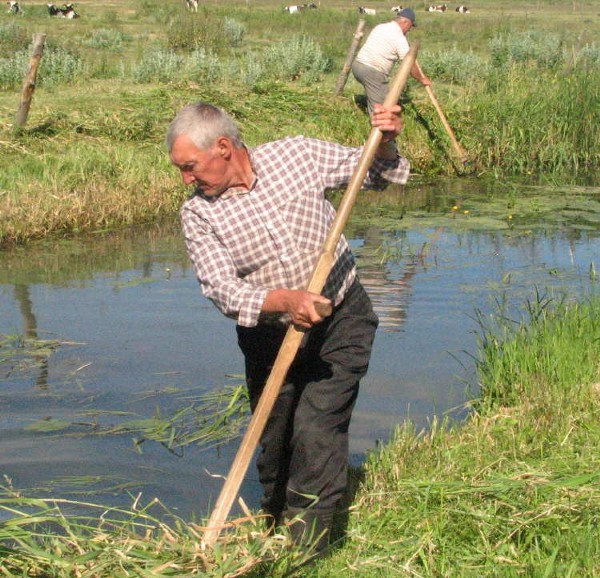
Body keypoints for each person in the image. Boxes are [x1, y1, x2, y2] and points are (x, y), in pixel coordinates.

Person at [166, 102, 410, 552]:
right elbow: (222, 290)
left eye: (189, 166)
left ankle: (307, 548)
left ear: (223, 147)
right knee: (275, 437)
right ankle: (273, 522)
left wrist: (386, 140)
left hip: (342, 317)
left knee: (318, 428)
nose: (186, 178)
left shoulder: (296, 155)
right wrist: (284, 301)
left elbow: (373, 173)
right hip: (268, 336)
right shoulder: (199, 215)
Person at [352, 7, 432, 118]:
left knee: (384, 96)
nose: (410, 30)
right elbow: (409, 65)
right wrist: (421, 79)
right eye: (410, 26)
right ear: (405, 22)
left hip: (357, 66)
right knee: (383, 110)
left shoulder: (381, 26)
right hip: (372, 72)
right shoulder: (399, 38)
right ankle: (379, 132)